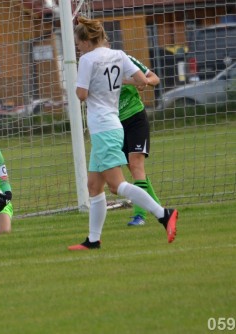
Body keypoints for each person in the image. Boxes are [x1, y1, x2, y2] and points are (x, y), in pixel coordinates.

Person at [67, 16, 178, 250]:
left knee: (117, 186)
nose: (78, 50)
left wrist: (83, 82)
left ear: (86, 41)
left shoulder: (87, 60)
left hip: (104, 129)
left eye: (78, 45)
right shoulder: (118, 54)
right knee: (93, 186)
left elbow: (81, 94)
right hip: (112, 126)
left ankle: (163, 214)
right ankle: (93, 241)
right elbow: (142, 81)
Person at [119, 54, 162, 226]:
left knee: (136, 165)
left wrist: (135, 81)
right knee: (135, 170)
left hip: (136, 118)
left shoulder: (123, 58)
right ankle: (161, 211)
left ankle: (139, 215)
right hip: (114, 124)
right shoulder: (91, 64)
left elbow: (153, 79)